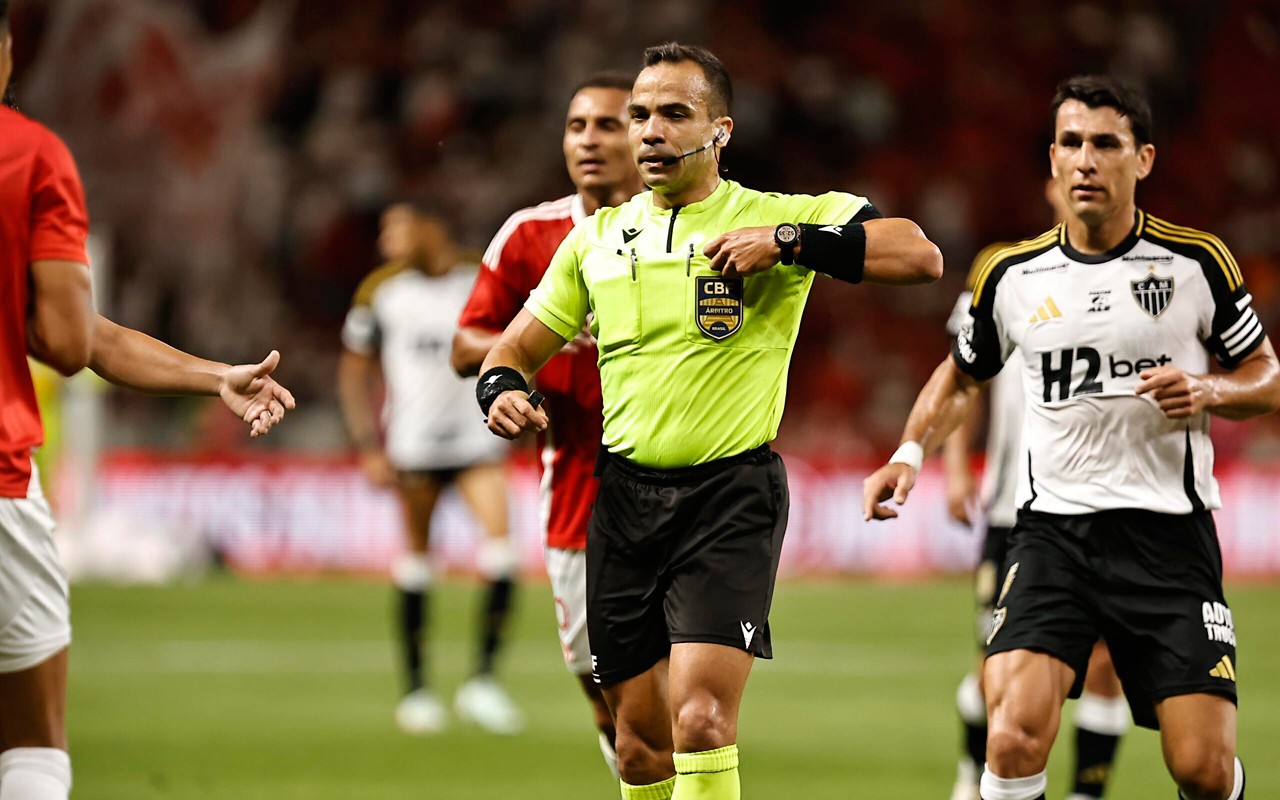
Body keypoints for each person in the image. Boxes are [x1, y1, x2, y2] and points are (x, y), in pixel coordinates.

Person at [478, 42, 941, 800]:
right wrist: (498, 387)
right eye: (640, 115)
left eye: (672, 114)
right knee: (636, 743)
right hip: (621, 499)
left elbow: (919, 254)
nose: (649, 132)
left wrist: (793, 244)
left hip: (729, 498)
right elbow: (516, 346)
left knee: (700, 719)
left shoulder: (774, 217)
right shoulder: (596, 240)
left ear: (720, 131)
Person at [864, 75, 1278, 800]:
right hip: (1052, 536)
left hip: (1169, 541)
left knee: (1203, 770)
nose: (1086, 159)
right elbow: (961, 376)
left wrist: (1211, 389)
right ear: (1052, 159)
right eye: (1071, 143)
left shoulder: (1197, 263)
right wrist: (908, 454)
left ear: (1143, 159)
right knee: (1013, 734)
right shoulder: (1011, 274)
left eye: (1106, 144)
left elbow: (1267, 376)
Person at [2, 10, 295, 795]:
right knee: (31, 738)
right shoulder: (30, 156)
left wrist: (207, 375)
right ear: (4, 52)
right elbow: (70, 344)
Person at [451, 71, 645, 776]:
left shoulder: (683, 230)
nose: (589, 139)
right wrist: (538, 343)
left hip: (683, 491)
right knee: (605, 697)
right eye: (576, 126)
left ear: (647, 134)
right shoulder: (529, 235)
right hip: (577, 497)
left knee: (686, 698)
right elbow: (465, 344)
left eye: (607, 124)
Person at [943, 184, 1130, 800]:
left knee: (1106, 665)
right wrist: (952, 461)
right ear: (1050, 183)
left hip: (1111, 505)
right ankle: (973, 777)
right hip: (1013, 508)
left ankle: (1086, 793)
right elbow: (964, 376)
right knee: (998, 671)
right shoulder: (1006, 270)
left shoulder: (1144, 274)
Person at [338, 202, 521, 736]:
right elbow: (353, 372)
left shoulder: (480, 277)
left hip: (476, 440)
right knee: (416, 562)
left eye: (398, 228)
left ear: (431, 227)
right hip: (413, 446)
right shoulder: (379, 291)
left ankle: (483, 683)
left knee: (502, 552)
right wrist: (368, 445)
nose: (387, 240)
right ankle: (417, 693)